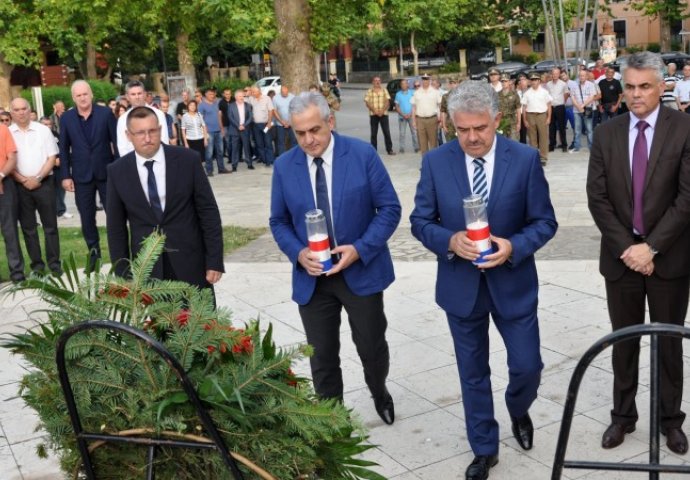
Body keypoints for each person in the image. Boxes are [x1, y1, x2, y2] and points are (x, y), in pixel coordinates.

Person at [410, 80, 557, 480]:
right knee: (472, 373)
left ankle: (518, 407)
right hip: (461, 288)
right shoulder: (436, 162)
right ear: (449, 124)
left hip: (513, 283)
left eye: (480, 128)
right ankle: (484, 448)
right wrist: (450, 241)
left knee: (528, 365)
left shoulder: (525, 159)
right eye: (462, 130)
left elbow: (545, 222)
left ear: (498, 120)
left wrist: (513, 246)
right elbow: (420, 222)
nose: (472, 138)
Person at [269, 92, 401, 426]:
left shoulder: (361, 154)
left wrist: (359, 248)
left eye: (314, 130)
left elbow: (389, 209)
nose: (308, 140)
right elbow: (279, 221)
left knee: (372, 348)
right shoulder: (285, 167)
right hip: (313, 279)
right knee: (322, 356)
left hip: (360, 272)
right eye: (300, 133)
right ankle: (332, 417)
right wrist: (299, 254)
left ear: (330, 121)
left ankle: (379, 391)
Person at [587, 51, 690, 456]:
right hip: (621, 260)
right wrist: (629, 249)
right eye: (629, 86)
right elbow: (597, 198)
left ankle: (671, 421)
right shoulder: (606, 133)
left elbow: (687, 197)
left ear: (661, 86)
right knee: (624, 343)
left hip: (670, 259)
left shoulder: (684, 128)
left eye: (644, 86)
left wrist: (652, 246)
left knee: (669, 344)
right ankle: (622, 417)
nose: (635, 94)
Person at [106, 106, 224, 292]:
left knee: (202, 321)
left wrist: (215, 260)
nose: (147, 138)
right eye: (140, 133)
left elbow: (208, 212)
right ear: (129, 135)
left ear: (160, 130)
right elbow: (115, 228)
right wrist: (123, 275)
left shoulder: (188, 160)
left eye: (152, 131)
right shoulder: (117, 171)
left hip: (192, 263)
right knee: (158, 322)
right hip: (148, 270)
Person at [59, 80, 118, 264]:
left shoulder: (106, 113)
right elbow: (63, 148)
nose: (82, 98)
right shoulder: (66, 119)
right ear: (73, 98)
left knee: (115, 215)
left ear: (91, 94)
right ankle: (94, 257)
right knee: (86, 218)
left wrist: (118, 170)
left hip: (107, 173)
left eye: (85, 94)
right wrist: (66, 175)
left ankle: (120, 257)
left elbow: (116, 143)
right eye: (78, 95)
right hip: (81, 176)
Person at [9, 98, 62, 276]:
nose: (21, 112)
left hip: (44, 183)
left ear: (29, 109)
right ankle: (37, 266)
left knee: (50, 226)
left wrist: (38, 177)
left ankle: (55, 264)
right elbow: (8, 162)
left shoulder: (43, 130)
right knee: (28, 228)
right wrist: (24, 180)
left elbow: (52, 157)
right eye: (16, 109)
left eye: (24, 108)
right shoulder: (7, 133)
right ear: (11, 112)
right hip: (20, 186)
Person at [116, 80, 169, 156]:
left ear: (145, 94)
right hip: (133, 163)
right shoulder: (122, 120)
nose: (137, 97)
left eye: (139, 93)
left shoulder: (159, 114)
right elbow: (122, 147)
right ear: (127, 96)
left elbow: (164, 140)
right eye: (133, 94)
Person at [0, 118, 23, 282]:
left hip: (4, 184)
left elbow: (12, 158)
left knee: (10, 231)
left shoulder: (3, 130)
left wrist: (0, 175)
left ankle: (17, 273)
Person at [521, 73, 552, 165]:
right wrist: (525, 120)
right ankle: (534, 157)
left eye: (536, 80)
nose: (534, 82)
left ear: (539, 81)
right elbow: (524, 107)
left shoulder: (544, 92)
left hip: (542, 115)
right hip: (530, 115)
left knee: (543, 137)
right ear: (530, 81)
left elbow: (549, 105)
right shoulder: (527, 93)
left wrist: (549, 117)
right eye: (532, 80)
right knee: (532, 137)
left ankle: (543, 157)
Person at [198, 88, 229, 176]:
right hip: (209, 132)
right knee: (209, 152)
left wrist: (222, 128)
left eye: (213, 94)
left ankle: (221, 168)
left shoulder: (216, 103)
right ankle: (209, 170)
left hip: (218, 131)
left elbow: (219, 117)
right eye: (210, 94)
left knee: (220, 151)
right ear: (206, 95)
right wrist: (204, 132)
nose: (212, 96)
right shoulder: (201, 105)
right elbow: (200, 119)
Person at [364, 76, 395, 156]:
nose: (377, 82)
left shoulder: (384, 90)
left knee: (386, 132)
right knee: (374, 133)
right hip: (373, 115)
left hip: (384, 114)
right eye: (375, 81)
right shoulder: (369, 91)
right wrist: (375, 111)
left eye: (379, 80)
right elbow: (367, 102)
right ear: (373, 82)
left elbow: (388, 101)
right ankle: (373, 150)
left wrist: (382, 110)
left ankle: (389, 149)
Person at [411, 74, 442, 154]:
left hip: (432, 119)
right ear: (422, 81)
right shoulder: (416, 93)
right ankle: (425, 163)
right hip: (420, 120)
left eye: (427, 79)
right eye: (424, 79)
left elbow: (440, 106)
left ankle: (434, 163)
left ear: (429, 80)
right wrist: (414, 121)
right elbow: (414, 108)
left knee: (433, 143)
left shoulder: (435, 92)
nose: (425, 81)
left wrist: (440, 119)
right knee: (422, 144)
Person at [569, 69, 597, 153]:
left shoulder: (591, 85)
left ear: (586, 76)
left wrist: (582, 106)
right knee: (577, 130)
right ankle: (577, 147)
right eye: (580, 75)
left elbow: (592, 97)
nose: (581, 77)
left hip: (587, 109)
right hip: (576, 110)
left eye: (583, 75)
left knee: (589, 129)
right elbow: (572, 97)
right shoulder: (574, 85)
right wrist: (578, 106)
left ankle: (591, 147)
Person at [247, 86, 275, 166]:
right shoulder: (251, 99)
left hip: (265, 124)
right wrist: (247, 93)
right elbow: (242, 100)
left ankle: (270, 160)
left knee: (268, 142)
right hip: (256, 125)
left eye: (254, 92)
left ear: (259, 91)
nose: (253, 93)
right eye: (252, 92)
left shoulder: (267, 98)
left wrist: (269, 123)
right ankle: (264, 160)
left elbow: (271, 110)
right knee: (259, 143)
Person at [544, 67, 569, 152]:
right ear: (552, 74)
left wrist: (562, 102)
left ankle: (564, 145)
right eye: (553, 73)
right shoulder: (548, 84)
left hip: (560, 107)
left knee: (562, 127)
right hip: (551, 107)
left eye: (556, 74)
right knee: (551, 127)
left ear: (559, 75)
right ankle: (552, 144)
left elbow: (566, 94)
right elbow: (546, 96)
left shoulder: (563, 84)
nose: (554, 75)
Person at [395, 79, 419, 153]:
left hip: (411, 116)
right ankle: (401, 148)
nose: (404, 85)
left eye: (405, 84)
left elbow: (415, 105)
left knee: (414, 132)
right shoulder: (398, 94)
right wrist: (403, 114)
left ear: (408, 85)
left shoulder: (412, 93)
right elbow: (397, 106)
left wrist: (410, 114)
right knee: (402, 133)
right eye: (402, 84)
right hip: (402, 117)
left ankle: (416, 147)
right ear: (400, 85)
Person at [271, 85, 296, 156]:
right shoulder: (275, 98)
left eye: (286, 92)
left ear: (288, 91)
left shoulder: (293, 97)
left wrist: (290, 122)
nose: (285, 94)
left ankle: (293, 157)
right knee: (280, 142)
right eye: (283, 92)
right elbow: (274, 111)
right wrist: (282, 121)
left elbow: (295, 110)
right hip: (280, 124)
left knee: (294, 141)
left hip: (291, 123)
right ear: (280, 92)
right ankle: (282, 158)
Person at [498, 74, 522, 140]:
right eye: (502, 81)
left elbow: (518, 109)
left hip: (513, 122)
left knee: (514, 142)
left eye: (505, 81)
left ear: (509, 82)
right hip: (502, 123)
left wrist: (519, 123)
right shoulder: (497, 95)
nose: (503, 83)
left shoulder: (514, 94)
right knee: (503, 142)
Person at [218, 88, 233, 160]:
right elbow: (220, 115)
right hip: (225, 125)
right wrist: (221, 127)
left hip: (234, 124)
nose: (228, 95)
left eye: (229, 94)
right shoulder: (221, 102)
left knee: (236, 141)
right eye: (226, 94)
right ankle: (230, 157)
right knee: (228, 141)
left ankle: (238, 157)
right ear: (224, 94)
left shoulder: (234, 100)